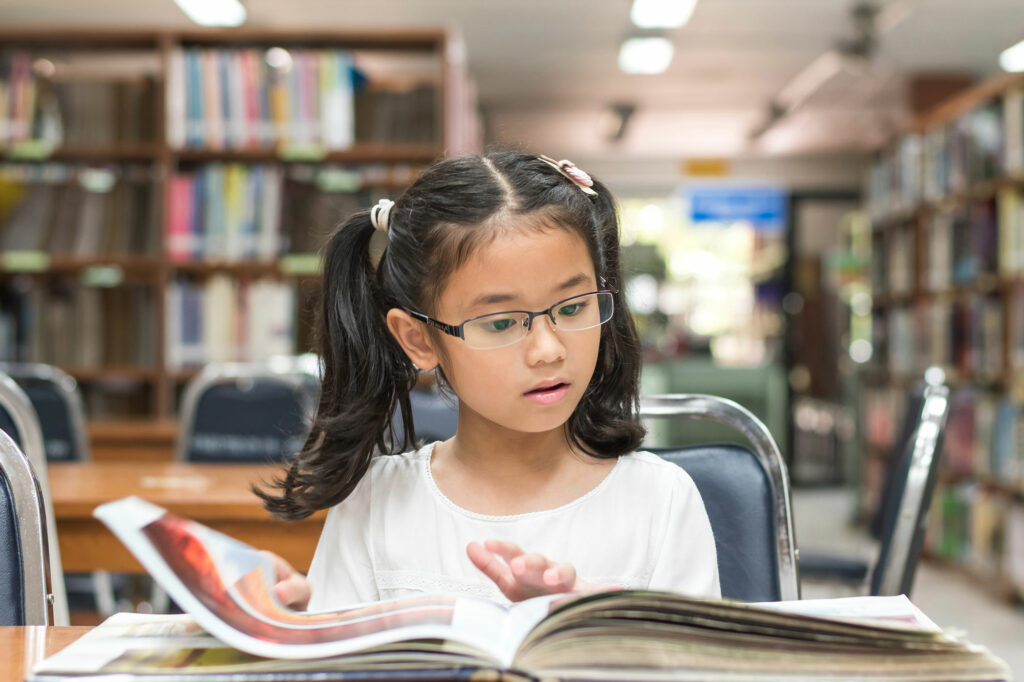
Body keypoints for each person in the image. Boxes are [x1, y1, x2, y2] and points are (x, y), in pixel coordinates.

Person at [258, 151, 721, 610]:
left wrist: (605, 633)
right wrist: (291, 637)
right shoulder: (377, 502)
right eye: (501, 323)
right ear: (418, 339)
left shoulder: (661, 501)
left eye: (574, 306)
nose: (549, 349)